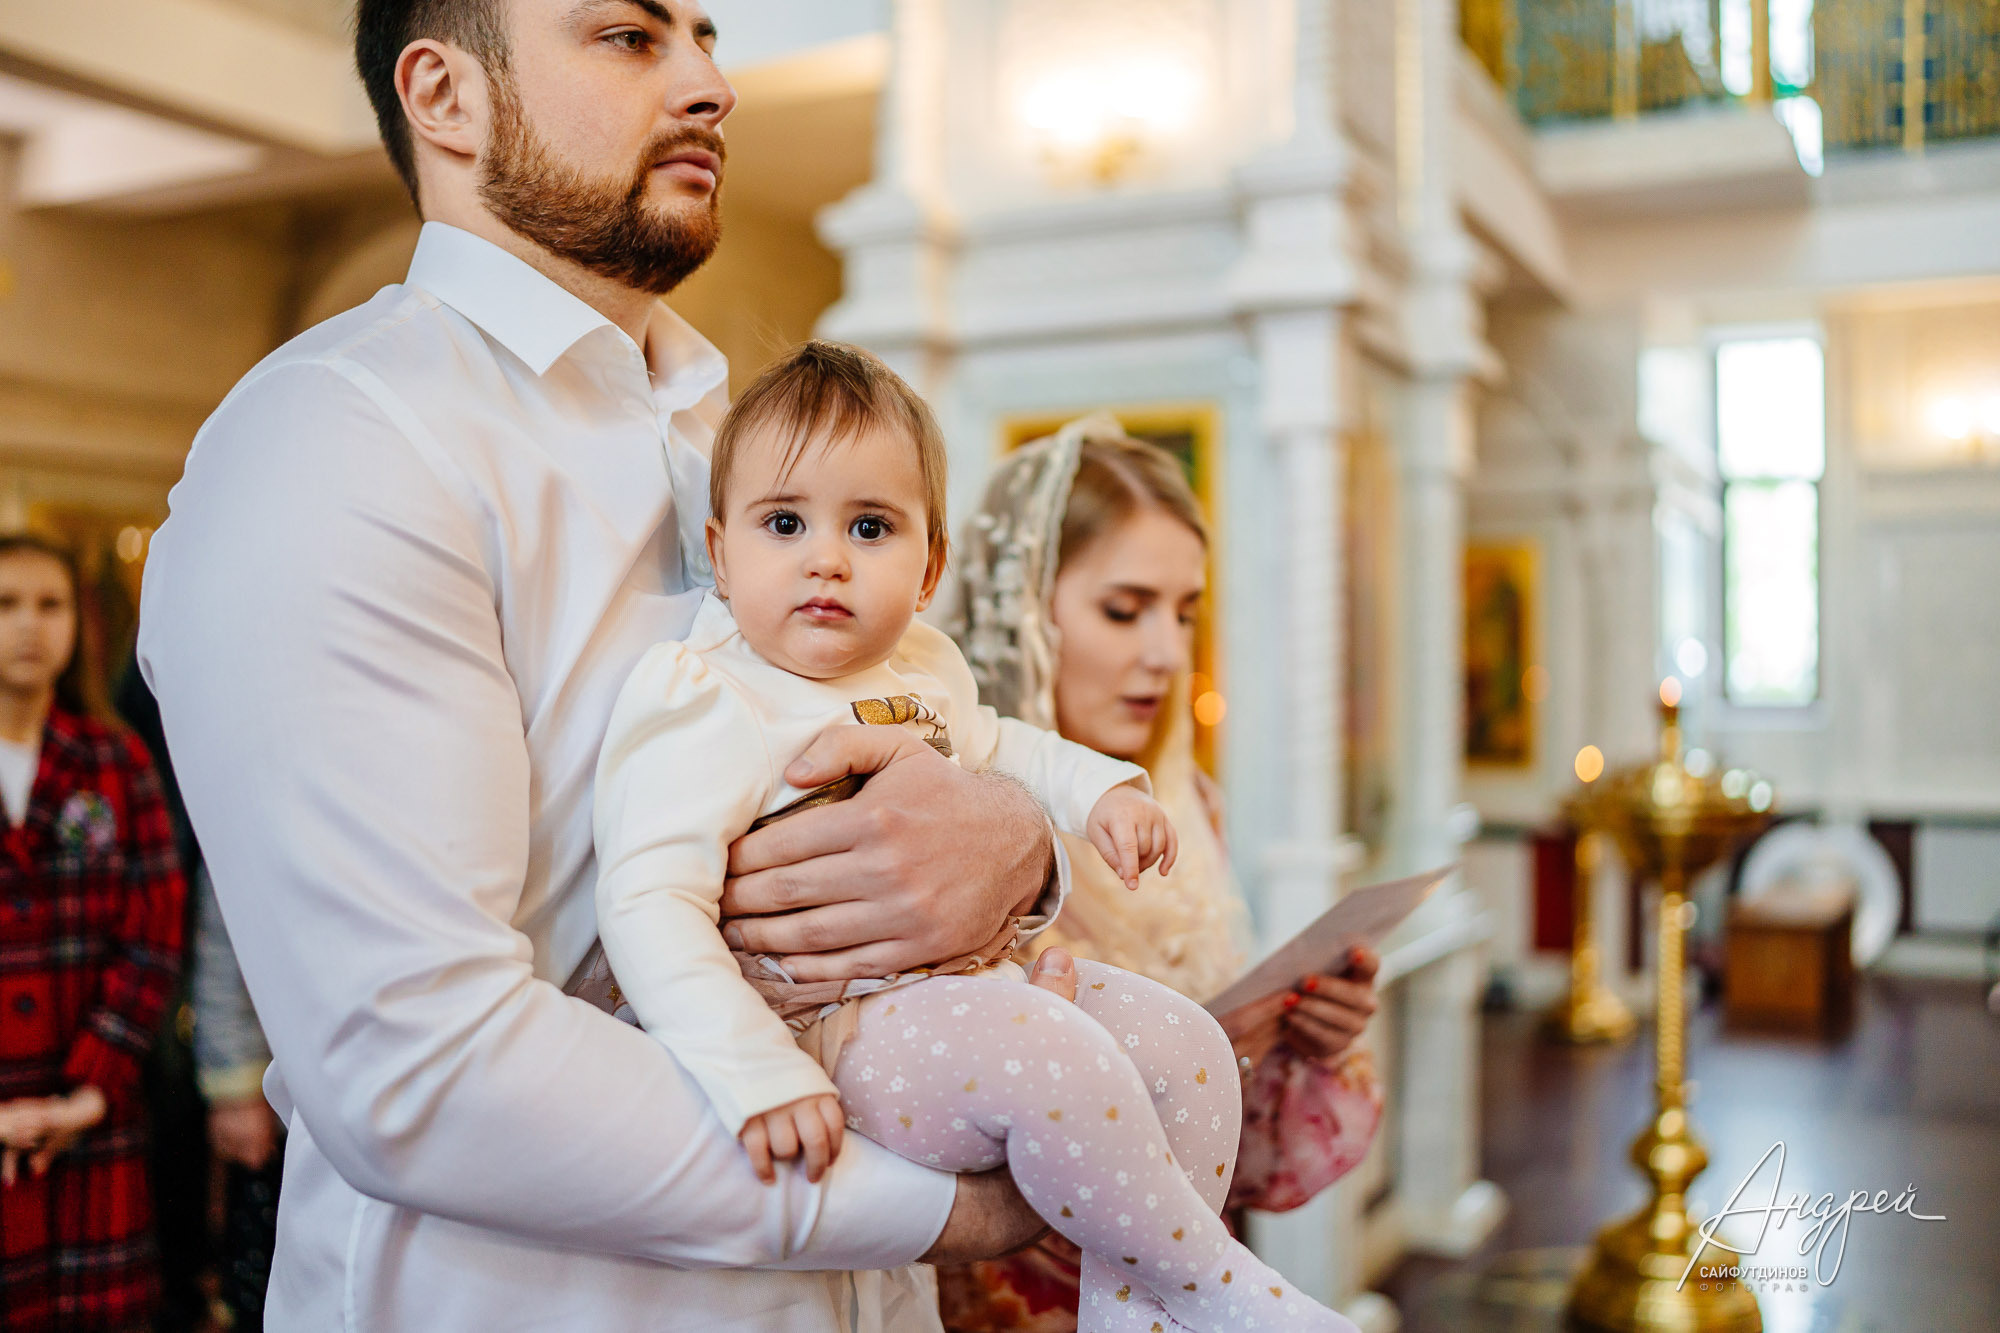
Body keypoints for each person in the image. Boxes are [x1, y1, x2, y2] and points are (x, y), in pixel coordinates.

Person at [138, 3, 1075, 1329]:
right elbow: (423, 1060)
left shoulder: (739, 440)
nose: (710, 82)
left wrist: (1019, 852)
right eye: (631, 38)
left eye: (704, 34)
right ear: (444, 95)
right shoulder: (336, 447)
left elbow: (912, 747)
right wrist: (941, 1204)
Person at [595, 341, 1358, 1333]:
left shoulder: (922, 675)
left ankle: (1136, 1311)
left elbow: (1011, 746)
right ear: (721, 548)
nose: (825, 556)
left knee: (1186, 1046)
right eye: (784, 522)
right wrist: (754, 1070)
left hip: (972, 1005)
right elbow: (647, 902)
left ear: (928, 568)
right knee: (1058, 1056)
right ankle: (1211, 1285)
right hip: (832, 1036)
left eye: (869, 526)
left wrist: (1103, 795)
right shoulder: (708, 695)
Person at [939, 419, 1386, 1332]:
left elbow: (1228, 1160)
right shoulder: (948, 819)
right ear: (1026, 607)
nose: (1166, 653)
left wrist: (1305, 1040)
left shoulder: (1192, 808)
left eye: (1184, 611)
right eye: (1124, 607)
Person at [0, 535, 187, 1332]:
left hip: (95, 1109)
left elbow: (154, 932)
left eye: (51, 604)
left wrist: (89, 1085)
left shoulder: (118, 760)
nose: (30, 625)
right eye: (6, 603)